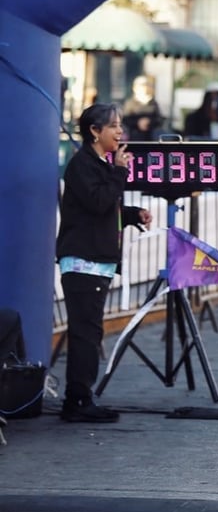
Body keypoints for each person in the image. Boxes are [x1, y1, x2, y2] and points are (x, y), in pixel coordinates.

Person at [56, 104, 153, 422]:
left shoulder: (99, 165)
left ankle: (81, 397)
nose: (119, 132)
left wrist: (131, 214)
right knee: (85, 333)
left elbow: (105, 206)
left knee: (90, 332)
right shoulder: (82, 165)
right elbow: (98, 202)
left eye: (120, 125)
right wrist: (121, 170)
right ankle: (78, 401)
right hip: (84, 263)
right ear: (94, 132)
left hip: (97, 263)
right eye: (113, 126)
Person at [122, 75, 163, 140]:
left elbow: (159, 119)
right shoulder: (129, 103)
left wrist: (149, 122)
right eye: (142, 85)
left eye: (146, 85)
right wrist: (137, 122)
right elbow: (125, 120)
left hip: (151, 138)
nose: (145, 87)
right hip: (134, 138)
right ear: (135, 87)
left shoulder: (153, 103)